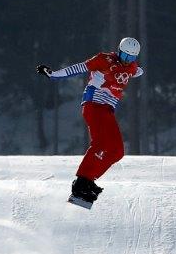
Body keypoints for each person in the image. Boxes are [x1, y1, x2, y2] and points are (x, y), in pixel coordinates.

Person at [37, 37, 143, 208]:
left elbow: (137, 71)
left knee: (117, 151)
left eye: (131, 58)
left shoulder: (132, 67)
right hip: (94, 104)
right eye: (124, 56)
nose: (126, 60)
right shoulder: (104, 59)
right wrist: (54, 75)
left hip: (107, 110)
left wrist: (138, 71)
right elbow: (79, 68)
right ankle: (81, 183)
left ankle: (88, 181)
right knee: (100, 144)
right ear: (119, 51)